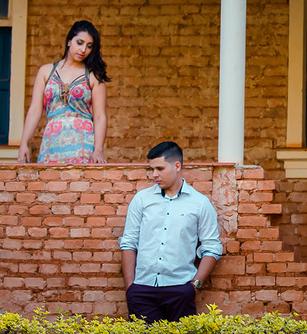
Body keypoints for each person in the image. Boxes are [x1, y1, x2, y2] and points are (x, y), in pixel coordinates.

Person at [119, 141, 222, 323]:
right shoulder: (142, 200)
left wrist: (194, 287)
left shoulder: (200, 204)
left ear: (177, 166)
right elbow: (128, 242)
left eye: (160, 168)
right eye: (152, 169)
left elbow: (212, 248)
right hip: (142, 291)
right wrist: (131, 288)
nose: (154, 175)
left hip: (180, 291)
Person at [17, 20, 110, 164]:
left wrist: (98, 150)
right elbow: (35, 110)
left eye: (89, 46)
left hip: (82, 145)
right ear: (69, 41)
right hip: (51, 144)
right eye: (79, 43)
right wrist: (24, 143)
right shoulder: (46, 71)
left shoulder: (94, 76)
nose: (83, 50)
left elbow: (99, 117)